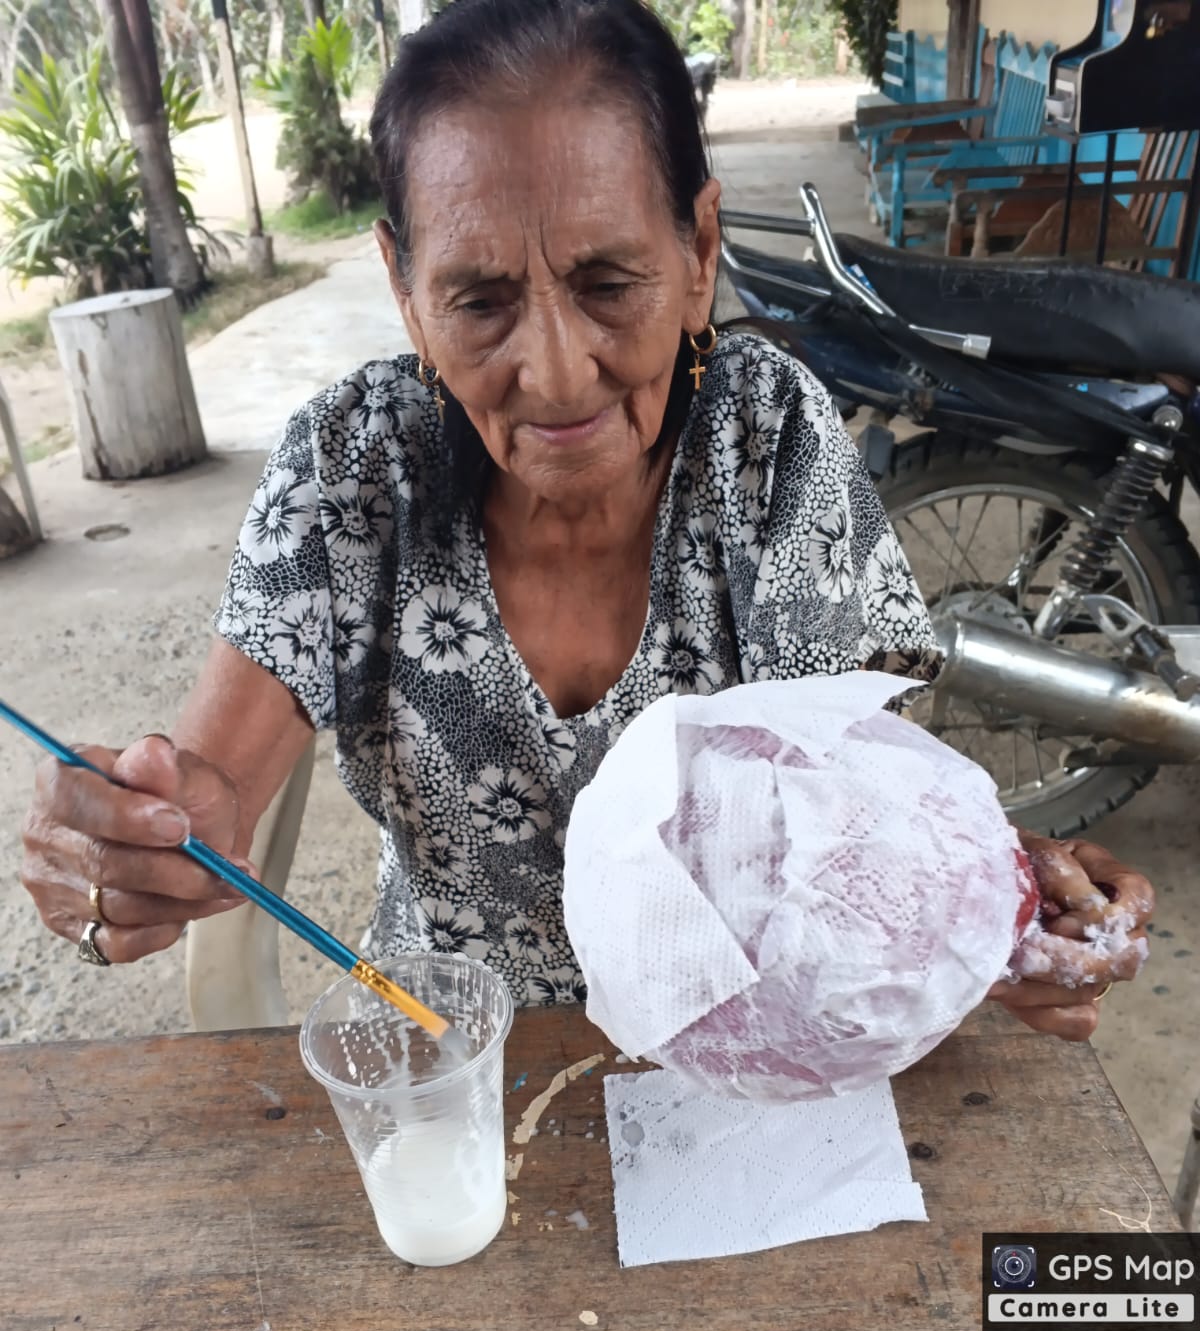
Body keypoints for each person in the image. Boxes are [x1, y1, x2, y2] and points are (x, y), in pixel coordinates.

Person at [19, 0, 1151, 1041]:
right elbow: (211, 794)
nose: (557, 376)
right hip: (446, 1055)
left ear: (698, 253)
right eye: (479, 301)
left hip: (746, 1045)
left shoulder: (765, 440)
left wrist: (1001, 901)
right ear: (404, 289)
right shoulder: (352, 467)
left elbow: (867, 811)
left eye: (609, 284)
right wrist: (145, 845)